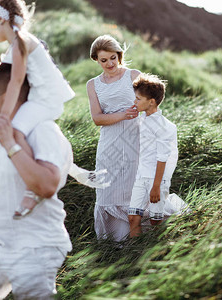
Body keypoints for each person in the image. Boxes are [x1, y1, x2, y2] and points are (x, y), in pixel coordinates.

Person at [0, 62, 72, 299]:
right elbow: (9, 161)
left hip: (35, 247)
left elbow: (47, 185)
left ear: (9, 95)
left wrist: (9, 143)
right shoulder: (12, 129)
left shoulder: (42, 130)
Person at [0, 0, 75, 216]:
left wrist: (4, 115)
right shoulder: (16, 45)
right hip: (40, 98)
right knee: (14, 128)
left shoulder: (21, 42)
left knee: (15, 130)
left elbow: (15, 82)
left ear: (1, 19)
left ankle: (33, 190)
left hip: (45, 100)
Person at [86, 35, 141, 242]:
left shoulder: (133, 75)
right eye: (104, 60)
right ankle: (113, 240)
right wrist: (122, 115)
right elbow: (97, 118)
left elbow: (149, 104)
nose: (110, 63)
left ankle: (137, 239)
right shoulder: (93, 85)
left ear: (119, 56)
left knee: (133, 187)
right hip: (109, 142)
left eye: (113, 58)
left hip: (134, 139)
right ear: (96, 61)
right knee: (107, 190)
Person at [128, 73, 178, 238]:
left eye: (138, 99)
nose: (135, 102)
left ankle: (158, 253)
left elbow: (162, 158)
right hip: (141, 176)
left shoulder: (165, 126)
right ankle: (135, 255)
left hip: (156, 179)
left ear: (151, 102)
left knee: (156, 221)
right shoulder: (142, 119)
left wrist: (156, 186)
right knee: (133, 217)